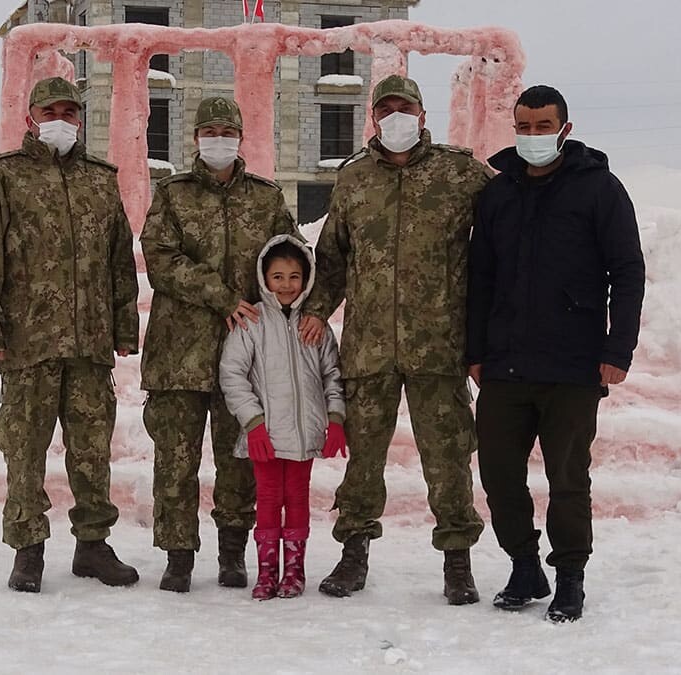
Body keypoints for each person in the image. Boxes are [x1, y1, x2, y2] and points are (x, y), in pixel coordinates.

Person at [299, 75, 489, 605]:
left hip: (440, 346)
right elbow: (332, 257)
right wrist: (317, 310)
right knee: (363, 460)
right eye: (385, 108)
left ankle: (457, 560)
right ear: (373, 118)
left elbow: (507, 227)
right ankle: (353, 551)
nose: (395, 116)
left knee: (447, 457)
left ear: (422, 115)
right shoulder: (354, 180)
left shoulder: (460, 174)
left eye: (404, 107)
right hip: (370, 347)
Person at [467, 84, 646, 622]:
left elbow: (628, 271)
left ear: (564, 130)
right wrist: (475, 350)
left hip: (572, 364)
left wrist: (619, 348)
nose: (533, 136)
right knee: (498, 474)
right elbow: (480, 277)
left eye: (544, 126)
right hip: (505, 364)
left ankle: (570, 575)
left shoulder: (599, 190)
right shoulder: (498, 194)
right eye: (524, 126)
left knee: (568, 478)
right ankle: (524, 565)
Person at [0, 77, 141, 593]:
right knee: (24, 448)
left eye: (69, 110)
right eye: (50, 110)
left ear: (80, 118)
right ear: (31, 117)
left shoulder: (99, 180)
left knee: (92, 448)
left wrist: (123, 327)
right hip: (27, 342)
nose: (60, 118)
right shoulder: (3, 178)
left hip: (89, 343)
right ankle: (28, 547)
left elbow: (118, 262)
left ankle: (92, 545)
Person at [140, 97, 300, 593]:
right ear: (195, 139)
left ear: (240, 137)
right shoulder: (172, 194)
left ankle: (233, 552)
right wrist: (222, 295)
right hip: (178, 354)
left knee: (240, 459)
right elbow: (160, 258)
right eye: (208, 131)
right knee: (175, 460)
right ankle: (178, 556)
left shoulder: (266, 198)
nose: (217, 139)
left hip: (245, 357)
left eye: (225, 130)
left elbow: (289, 258)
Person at [218, 235, 348, 600]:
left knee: (297, 499)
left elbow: (332, 375)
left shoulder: (315, 328)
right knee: (269, 499)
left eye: (294, 276)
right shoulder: (252, 323)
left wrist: (335, 417)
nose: (286, 285)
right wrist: (253, 421)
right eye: (278, 276)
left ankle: (294, 571)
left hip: (304, 437)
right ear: (264, 278)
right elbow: (232, 374)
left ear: (305, 280)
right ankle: (266, 571)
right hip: (267, 436)